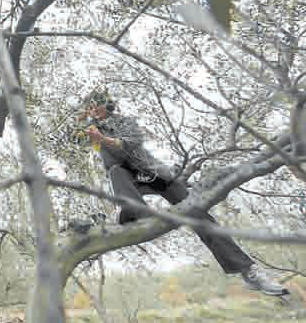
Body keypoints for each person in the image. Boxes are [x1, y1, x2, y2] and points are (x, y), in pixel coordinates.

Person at [81, 90, 289, 296]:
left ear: (107, 105)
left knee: (200, 216)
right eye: (90, 106)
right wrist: (81, 125)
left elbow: (130, 143)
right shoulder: (89, 129)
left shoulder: (125, 122)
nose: (94, 109)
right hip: (127, 181)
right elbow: (72, 143)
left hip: (154, 174)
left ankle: (249, 271)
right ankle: (137, 215)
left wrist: (103, 138)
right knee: (116, 172)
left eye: (97, 104)